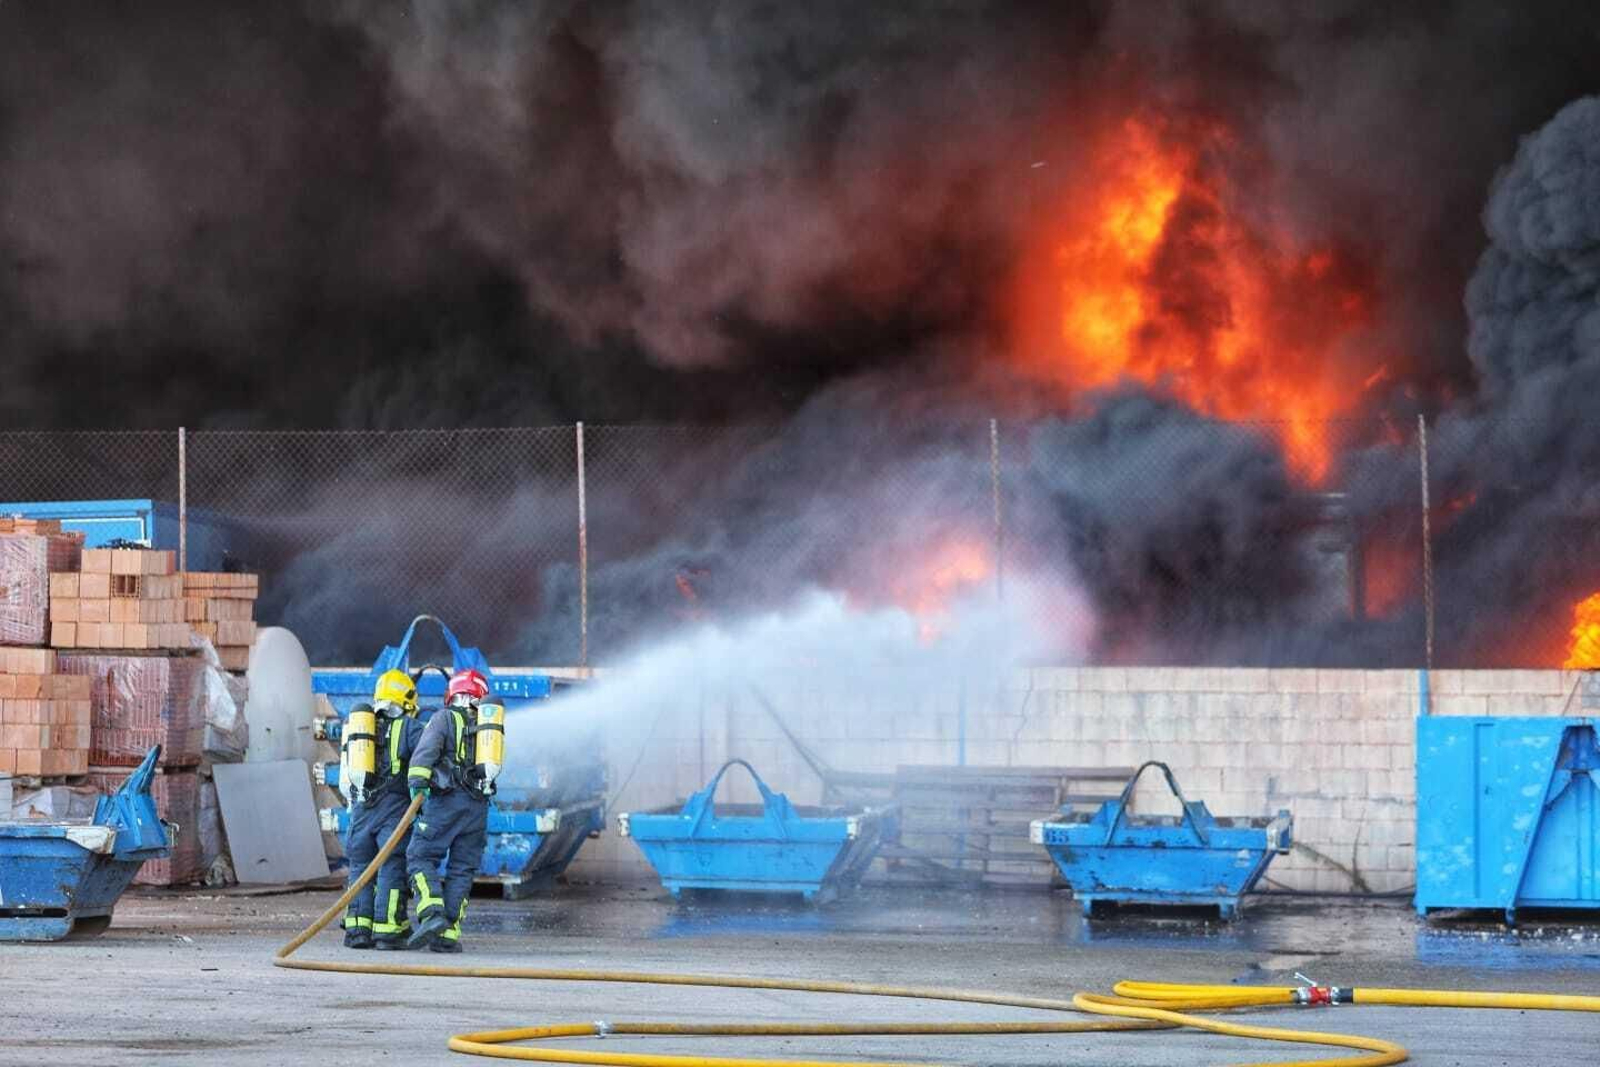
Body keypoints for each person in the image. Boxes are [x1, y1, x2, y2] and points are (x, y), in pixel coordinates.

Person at [405, 667, 495, 952]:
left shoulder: (443, 718)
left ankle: (432, 914)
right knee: (462, 869)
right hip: (478, 809)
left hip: (446, 803)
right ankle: (447, 937)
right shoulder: (489, 728)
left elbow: (424, 753)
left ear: (452, 694)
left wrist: (418, 784)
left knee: (419, 856)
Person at [340, 669, 425, 950]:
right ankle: (388, 930)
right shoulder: (410, 728)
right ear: (407, 699)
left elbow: (346, 778)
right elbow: (428, 759)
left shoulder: (358, 727)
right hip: (394, 810)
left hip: (362, 809)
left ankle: (357, 930)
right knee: (391, 867)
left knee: (360, 867)